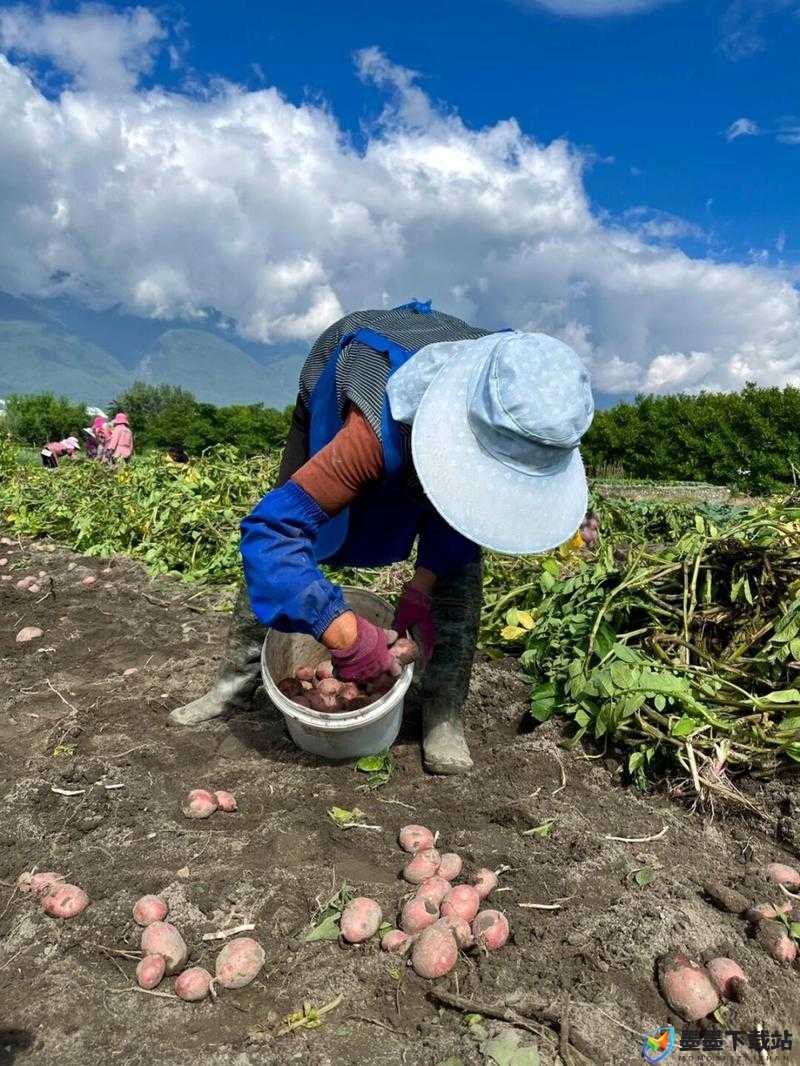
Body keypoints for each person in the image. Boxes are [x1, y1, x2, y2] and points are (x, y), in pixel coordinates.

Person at [170, 300, 594, 775]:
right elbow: (272, 536)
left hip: (458, 402)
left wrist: (420, 589)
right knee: (288, 535)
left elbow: (460, 521)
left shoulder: (526, 400)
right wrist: (345, 634)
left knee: (462, 565)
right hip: (353, 375)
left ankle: (442, 711)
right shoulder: (372, 430)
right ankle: (235, 684)